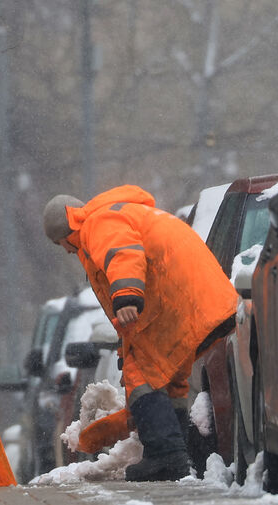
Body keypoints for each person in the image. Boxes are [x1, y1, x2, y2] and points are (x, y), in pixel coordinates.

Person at [43, 185, 239, 481]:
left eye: (62, 244)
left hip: (177, 300)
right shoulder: (121, 213)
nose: (68, 251)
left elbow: (123, 253)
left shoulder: (98, 223)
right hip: (194, 299)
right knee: (169, 379)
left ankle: (166, 455)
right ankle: (178, 454)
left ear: (66, 230)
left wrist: (126, 295)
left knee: (142, 376)